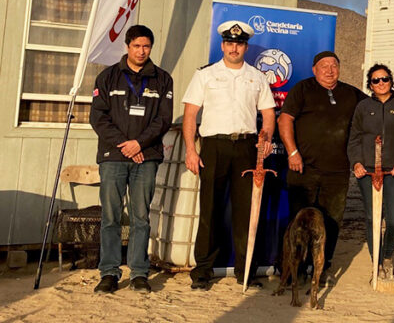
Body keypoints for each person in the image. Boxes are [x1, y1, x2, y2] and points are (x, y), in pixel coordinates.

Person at [182, 20, 275, 290]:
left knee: (246, 211)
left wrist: (267, 137)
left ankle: (246, 271)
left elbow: (268, 114)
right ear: (223, 45)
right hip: (214, 146)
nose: (234, 48)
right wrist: (191, 149)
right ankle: (202, 271)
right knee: (209, 209)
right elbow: (190, 114)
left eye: (239, 44)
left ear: (246, 47)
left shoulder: (257, 77)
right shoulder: (205, 75)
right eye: (230, 43)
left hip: (246, 148)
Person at [90, 25, 173, 293]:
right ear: (127, 46)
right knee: (111, 216)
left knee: (140, 216)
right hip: (113, 156)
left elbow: (163, 119)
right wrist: (125, 145)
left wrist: (139, 143)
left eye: (146, 46)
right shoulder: (107, 77)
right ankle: (109, 273)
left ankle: (139, 273)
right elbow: (98, 117)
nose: (141, 51)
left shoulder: (162, 79)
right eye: (137, 46)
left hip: (146, 157)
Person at [278, 50, 366, 285]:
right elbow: (284, 120)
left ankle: (321, 268)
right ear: (314, 69)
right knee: (299, 222)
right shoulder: (302, 89)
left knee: (332, 222)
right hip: (303, 168)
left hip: (337, 172)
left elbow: (375, 105)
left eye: (334, 65)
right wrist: (292, 152)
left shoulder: (351, 94)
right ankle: (293, 270)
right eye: (324, 66)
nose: (329, 70)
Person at [348, 64, 394, 279]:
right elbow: (354, 137)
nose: (381, 83)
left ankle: (388, 255)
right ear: (370, 84)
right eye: (376, 80)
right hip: (369, 171)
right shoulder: (363, 107)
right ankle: (377, 264)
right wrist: (356, 163)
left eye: (384, 79)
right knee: (373, 218)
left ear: (391, 80)